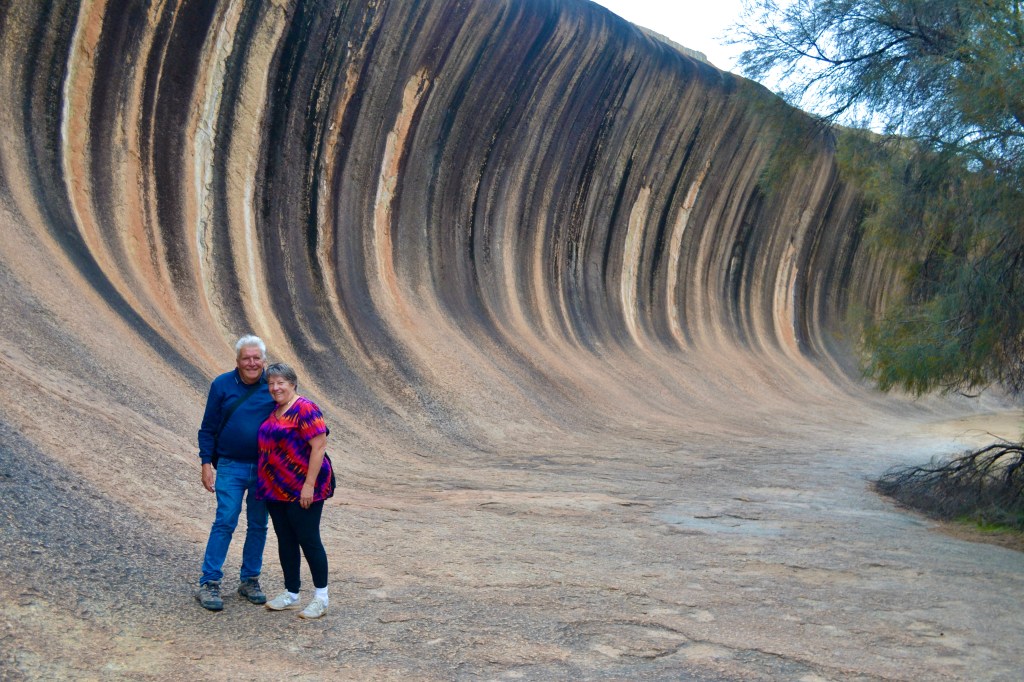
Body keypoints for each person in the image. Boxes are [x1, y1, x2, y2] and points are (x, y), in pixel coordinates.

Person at [195, 335, 277, 611]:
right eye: (246, 358)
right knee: (225, 520)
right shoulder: (222, 385)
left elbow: (293, 414)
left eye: (256, 358)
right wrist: (206, 464)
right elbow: (207, 428)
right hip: (230, 465)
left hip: (265, 468)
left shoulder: (274, 386)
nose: (252, 363)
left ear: (264, 361)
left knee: (258, 524)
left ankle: (250, 580)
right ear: (238, 361)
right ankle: (209, 582)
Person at [256, 362, 334, 619]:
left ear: (292, 384)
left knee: (308, 539)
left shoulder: (305, 409)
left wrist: (308, 485)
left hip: (303, 487)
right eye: (271, 383)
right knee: (286, 539)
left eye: (280, 383)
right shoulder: (275, 410)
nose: (275, 387)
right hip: (275, 488)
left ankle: (321, 598)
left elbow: (319, 447)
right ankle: (291, 593)